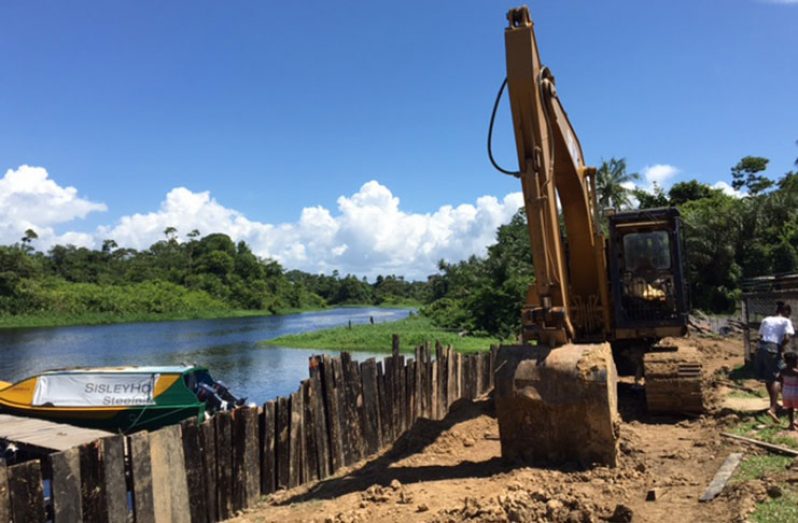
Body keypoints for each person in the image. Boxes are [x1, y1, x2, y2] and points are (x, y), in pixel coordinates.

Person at [756, 303, 795, 421]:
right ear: (785, 311)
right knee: (778, 377)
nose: (789, 315)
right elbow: (787, 338)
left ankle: (775, 404)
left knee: (769, 377)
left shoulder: (766, 319)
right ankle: (773, 408)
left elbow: (761, 336)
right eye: (789, 313)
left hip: (761, 348)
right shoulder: (785, 321)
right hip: (773, 348)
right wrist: (780, 347)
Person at [779, 351, 798, 430]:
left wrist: (782, 389)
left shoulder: (782, 370)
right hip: (795, 391)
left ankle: (791, 424)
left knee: (790, 408)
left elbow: (780, 379)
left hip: (786, 391)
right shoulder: (796, 372)